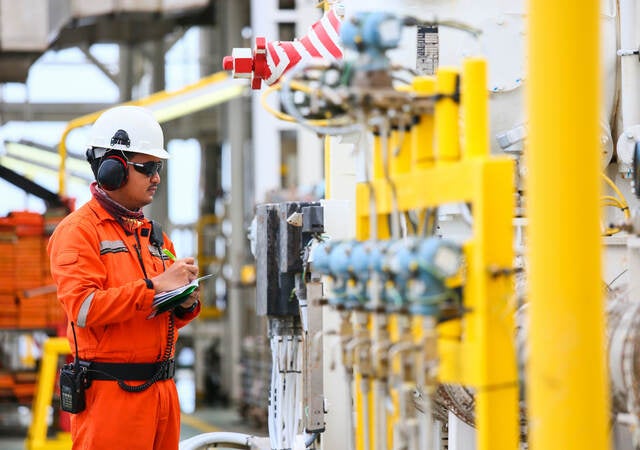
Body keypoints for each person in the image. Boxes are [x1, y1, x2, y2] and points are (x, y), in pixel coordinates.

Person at [47, 105, 201, 450]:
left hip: (162, 395)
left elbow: (161, 314)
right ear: (111, 170)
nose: (156, 177)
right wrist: (157, 286)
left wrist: (186, 300)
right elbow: (84, 308)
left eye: (157, 168)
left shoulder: (154, 236)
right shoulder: (78, 232)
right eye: (147, 168)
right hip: (112, 398)